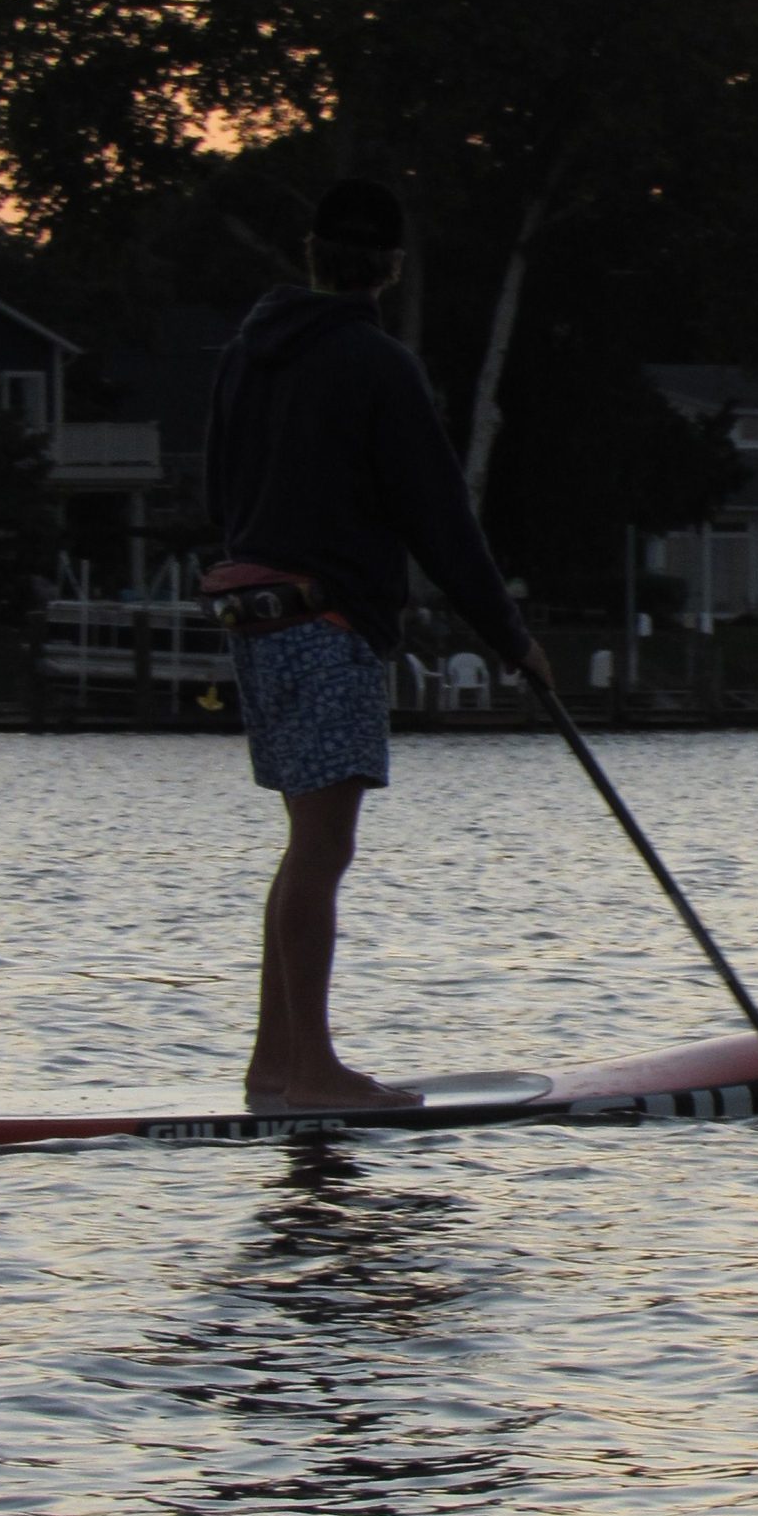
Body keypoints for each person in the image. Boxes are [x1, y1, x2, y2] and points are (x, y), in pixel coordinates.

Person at [204, 178, 553, 1111]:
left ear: (311, 253)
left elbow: (219, 487)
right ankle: (312, 1071)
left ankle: (274, 1066)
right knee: (322, 850)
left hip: (255, 615)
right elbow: (440, 518)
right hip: (327, 623)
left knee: (303, 846)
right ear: (389, 271)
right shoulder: (378, 366)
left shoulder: (246, 352)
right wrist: (511, 638)